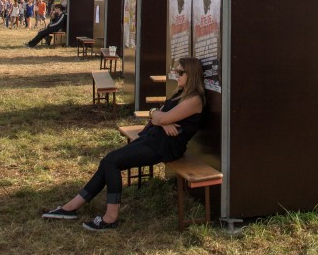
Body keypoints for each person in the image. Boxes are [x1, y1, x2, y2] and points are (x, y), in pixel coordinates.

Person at [42, 57, 206, 231]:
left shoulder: (195, 100)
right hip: (153, 139)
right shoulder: (181, 94)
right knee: (108, 161)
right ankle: (71, 207)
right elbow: (157, 113)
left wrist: (161, 119)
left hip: (165, 147)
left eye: (180, 72)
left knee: (111, 162)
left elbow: (161, 116)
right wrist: (160, 119)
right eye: (175, 71)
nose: (176, 75)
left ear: (192, 75)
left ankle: (110, 217)